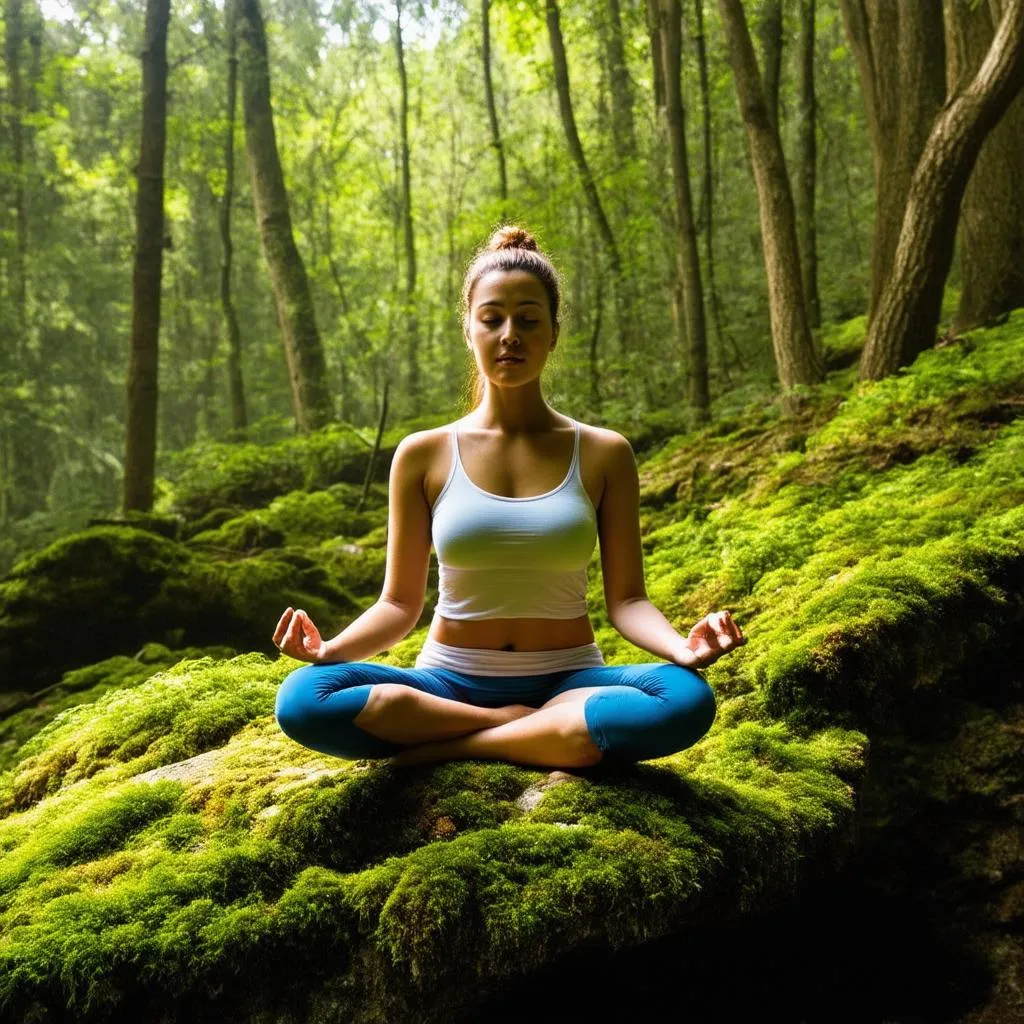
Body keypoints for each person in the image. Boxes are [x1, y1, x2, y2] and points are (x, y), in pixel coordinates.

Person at [272, 225, 745, 769]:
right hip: (448, 682)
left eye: (528, 319)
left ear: (553, 333)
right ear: (469, 330)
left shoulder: (604, 453)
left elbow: (628, 602)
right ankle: (521, 728)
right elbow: (399, 606)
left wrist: (684, 651)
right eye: (492, 318)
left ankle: (449, 748)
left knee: (687, 700)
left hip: (572, 680)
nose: (510, 335)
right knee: (303, 699)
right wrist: (329, 651)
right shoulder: (422, 454)